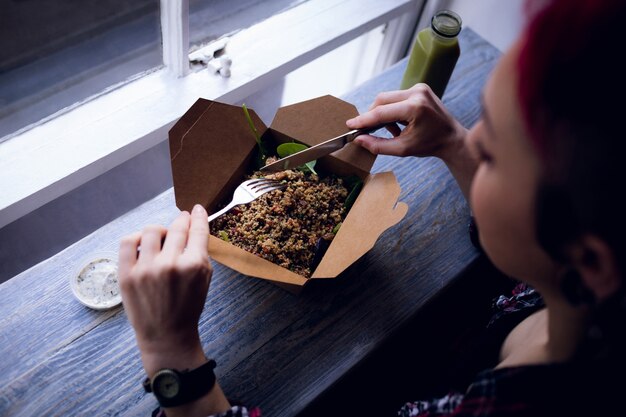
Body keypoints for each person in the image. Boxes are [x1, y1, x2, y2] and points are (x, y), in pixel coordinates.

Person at [118, 0, 626, 415]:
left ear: (591, 261)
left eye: (489, 151)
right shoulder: (574, 298)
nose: (470, 140)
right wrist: (453, 142)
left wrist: (175, 364)